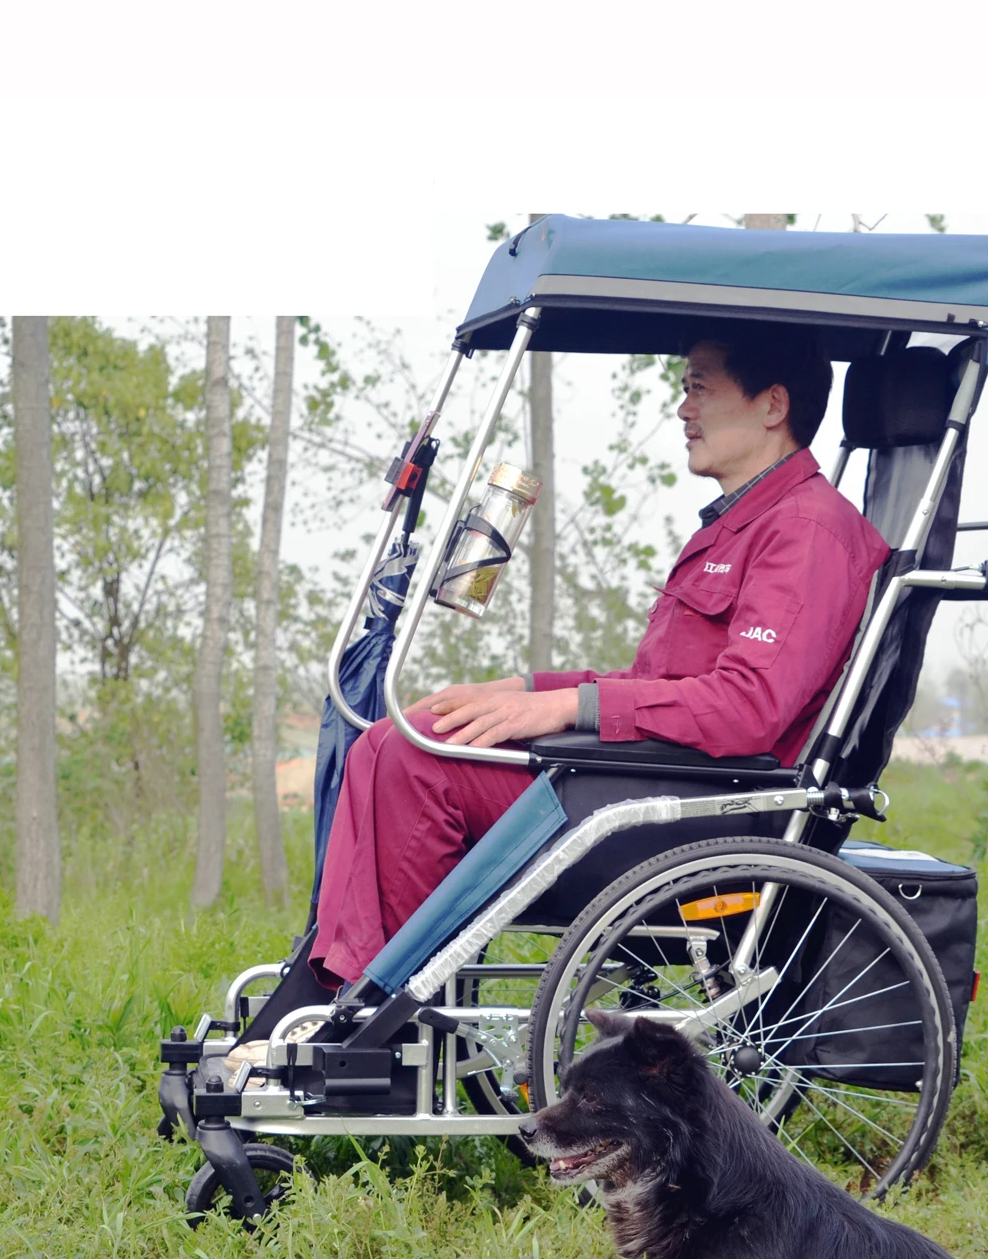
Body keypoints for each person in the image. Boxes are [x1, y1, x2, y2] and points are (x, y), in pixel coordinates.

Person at [310, 326, 891, 989]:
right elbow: (660, 689)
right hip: (661, 783)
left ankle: (376, 1008)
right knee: (398, 736)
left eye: (700, 386)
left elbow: (746, 708)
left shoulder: (806, 532)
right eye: (684, 389)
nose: (683, 409)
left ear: (773, 405)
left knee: (415, 760)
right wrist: (521, 689)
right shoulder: (748, 522)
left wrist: (562, 707)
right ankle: (345, 985)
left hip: (703, 818)